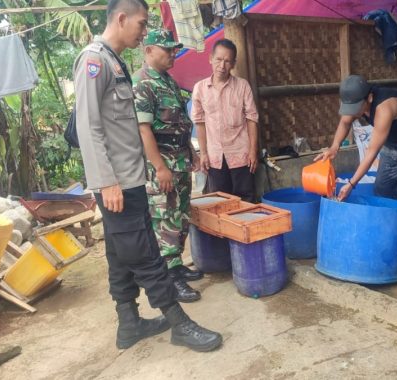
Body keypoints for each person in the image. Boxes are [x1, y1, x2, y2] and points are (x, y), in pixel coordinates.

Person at [73, 0, 221, 352]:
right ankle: (178, 323)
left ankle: (129, 323)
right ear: (121, 18)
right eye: (141, 24)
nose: (144, 31)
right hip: (118, 184)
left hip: (129, 180)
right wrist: (107, 181)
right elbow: (88, 126)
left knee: (119, 256)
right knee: (146, 253)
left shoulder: (113, 60)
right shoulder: (94, 60)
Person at [133, 29, 203, 303]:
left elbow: (179, 125)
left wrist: (192, 153)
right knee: (165, 220)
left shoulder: (168, 81)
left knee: (181, 215)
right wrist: (160, 168)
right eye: (167, 49)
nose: (173, 53)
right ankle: (170, 278)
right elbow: (144, 130)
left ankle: (176, 267)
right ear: (149, 51)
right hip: (162, 166)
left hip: (181, 161)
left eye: (174, 48)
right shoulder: (143, 83)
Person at [315, 75, 397, 218]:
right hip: (392, 140)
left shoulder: (385, 108)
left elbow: (371, 153)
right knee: (382, 187)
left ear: (369, 98)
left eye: (356, 108)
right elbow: (345, 122)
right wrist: (334, 147)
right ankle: (389, 222)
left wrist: (351, 184)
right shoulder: (358, 101)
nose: (353, 112)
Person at [190, 39, 259, 202]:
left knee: (246, 200)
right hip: (215, 158)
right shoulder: (200, 88)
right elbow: (199, 122)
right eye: (219, 59)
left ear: (233, 64)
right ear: (210, 58)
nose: (222, 66)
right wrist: (204, 153)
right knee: (221, 202)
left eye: (227, 61)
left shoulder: (242, 86)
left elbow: (252, 119)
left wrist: (253, 151)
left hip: (242, 155)